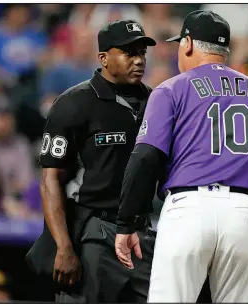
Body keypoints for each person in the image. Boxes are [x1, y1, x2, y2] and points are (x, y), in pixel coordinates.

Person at [115, 10, 248, 303]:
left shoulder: (171, 89)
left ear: (189, 44)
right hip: (244, 215)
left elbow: (144, 158)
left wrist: (126, 223)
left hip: (188, 209)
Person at [26, 20, 157, 303]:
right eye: (128, 52)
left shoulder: (155, 102)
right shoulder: (74, 102)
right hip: (95, 232)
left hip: (142, 234)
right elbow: (51, 179)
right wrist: (63, 246)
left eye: (142, 52)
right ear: (103, 58)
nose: (138, 60)